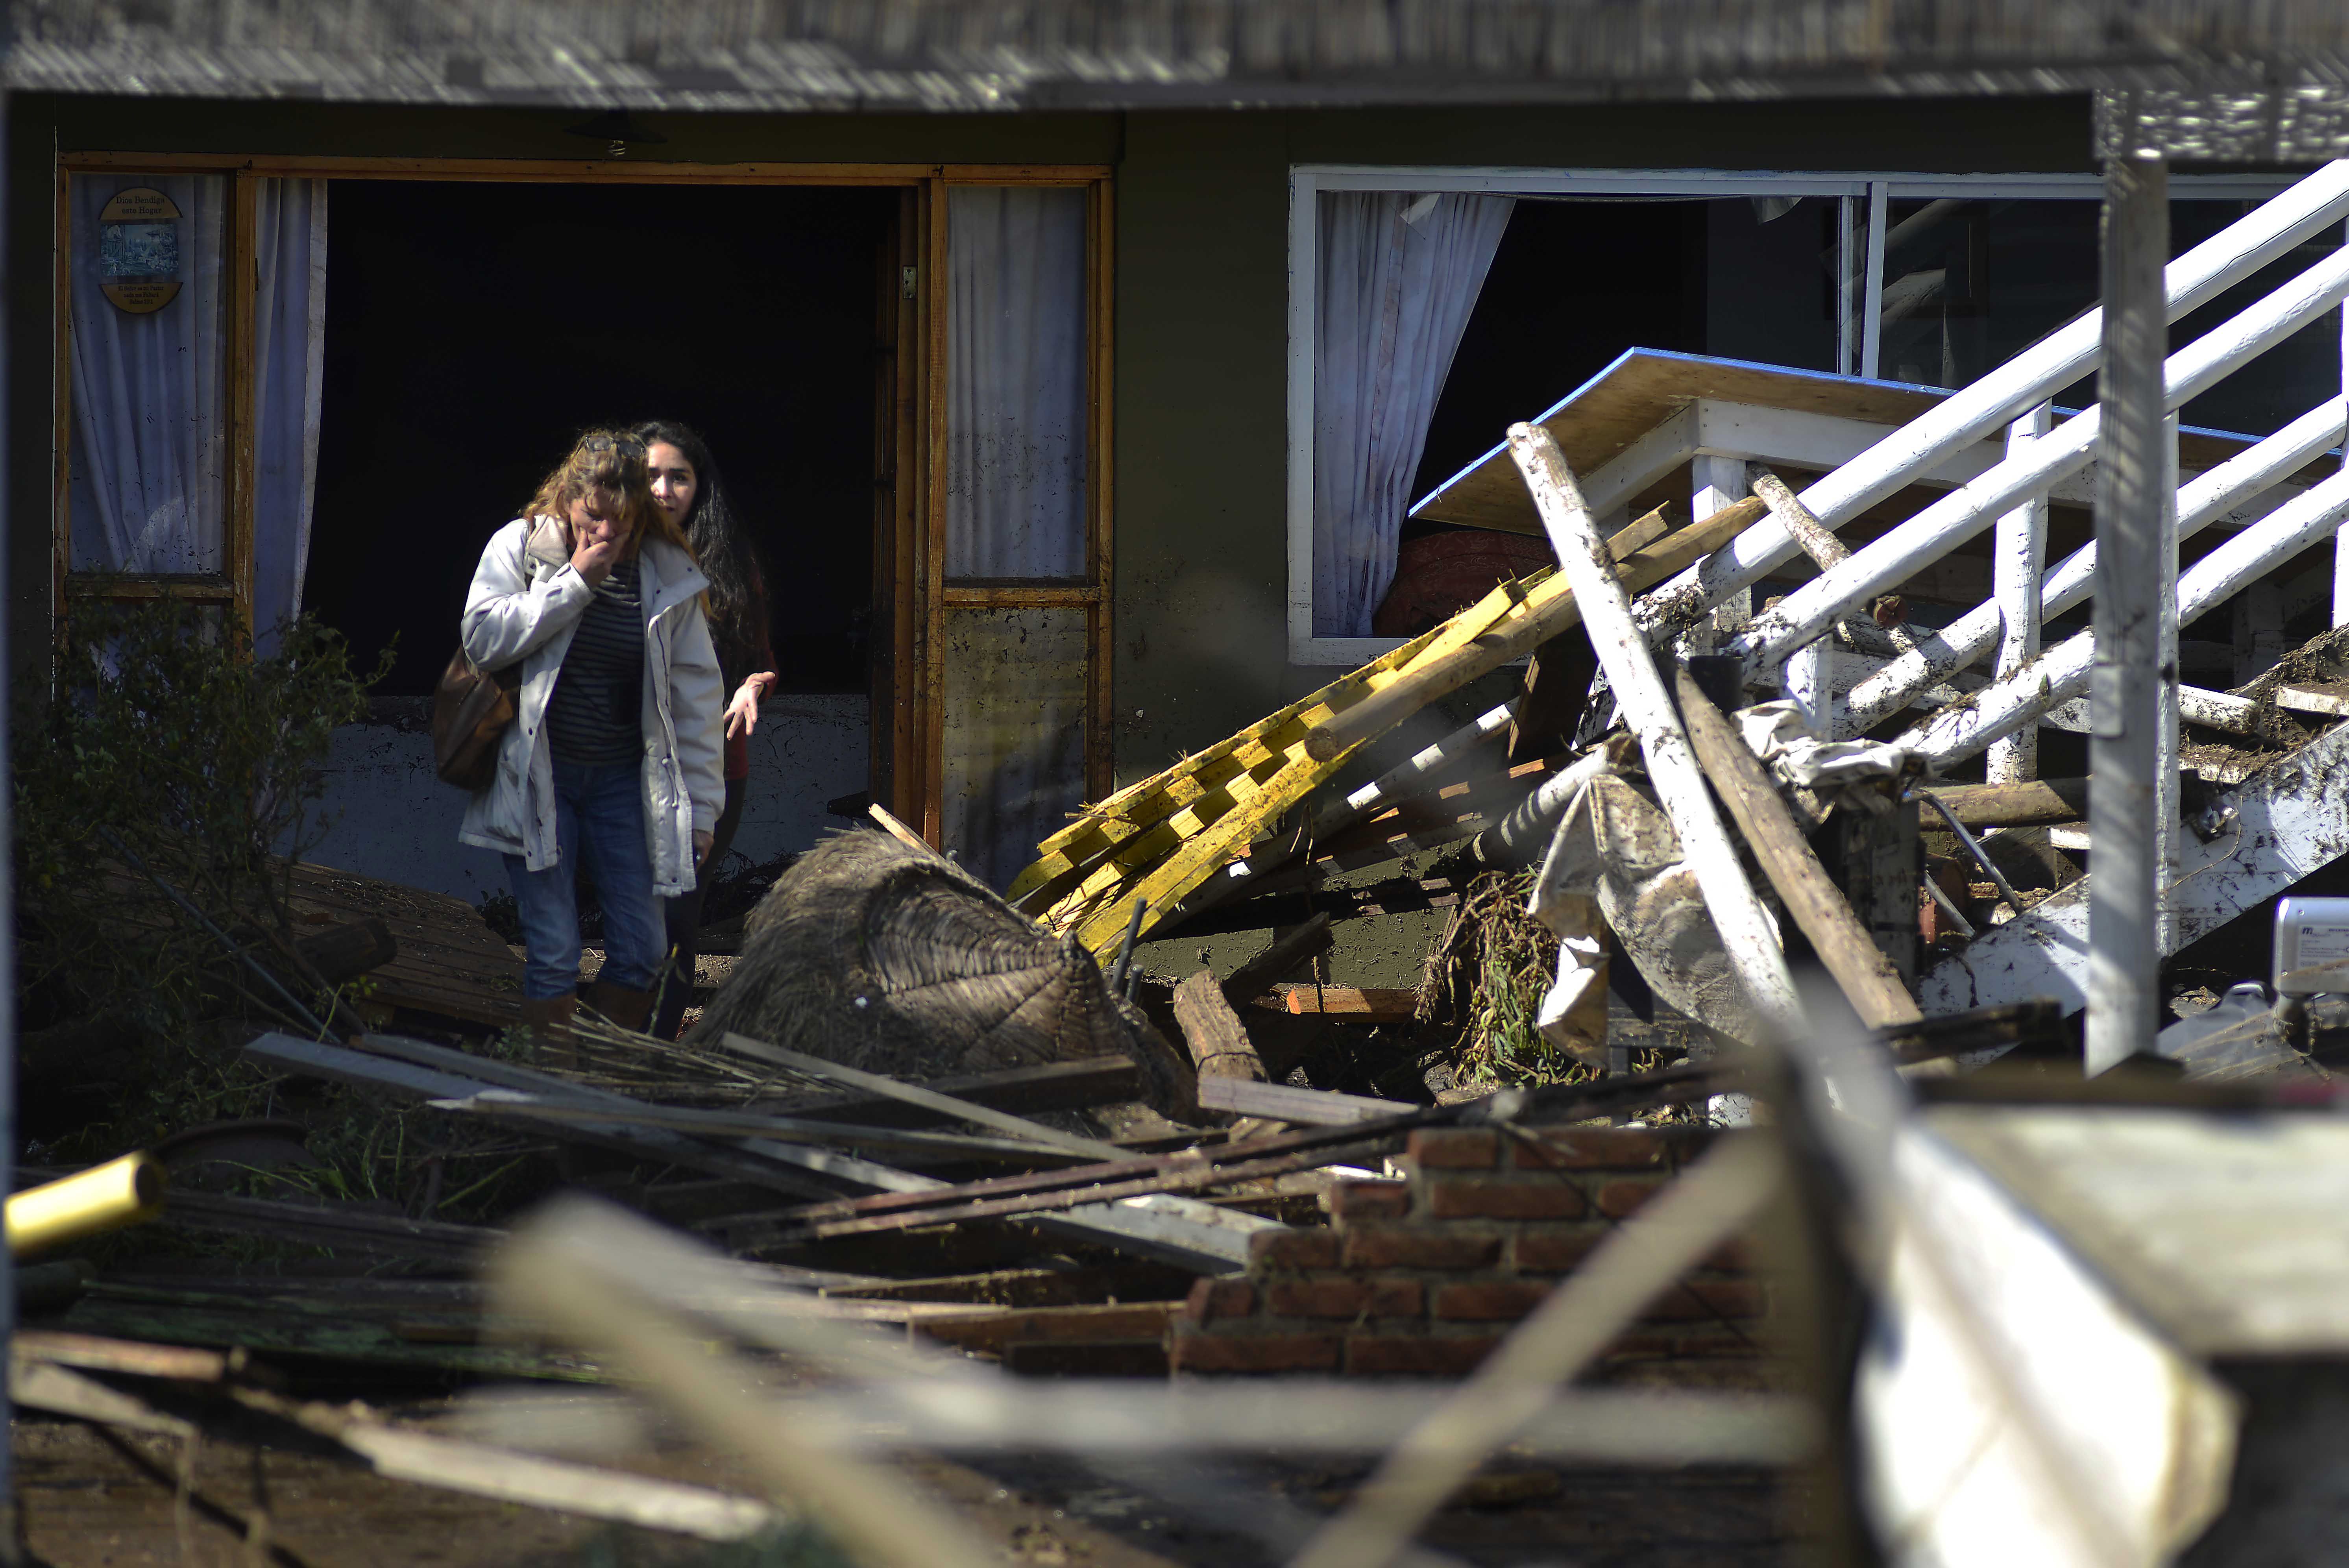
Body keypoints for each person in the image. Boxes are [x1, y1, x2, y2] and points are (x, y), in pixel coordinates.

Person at [458, 429, 725, 1052]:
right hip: (538, 775)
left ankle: (595, 1080)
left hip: (621, 786)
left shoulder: (665, 574)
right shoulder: (523, 545)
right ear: (568, 499)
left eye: (622, 526)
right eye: (592, 519)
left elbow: (695, 701)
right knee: (553, 952)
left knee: (644, 951)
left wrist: (704, 810)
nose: (605, 537)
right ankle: (554, 1104)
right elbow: (481, 638)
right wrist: (574, 582)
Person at [632, 420, 779, 1039]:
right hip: (625, 765)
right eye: (650, 477)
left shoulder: (728, 565)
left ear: (701, 487)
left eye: (679, 477)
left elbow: (763, 662)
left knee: (676, 918)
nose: (663, 490)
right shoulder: (610, 554)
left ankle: (654, 1051)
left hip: (713, 769)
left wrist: (750, 688)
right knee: (632, 911)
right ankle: (614, 1038)